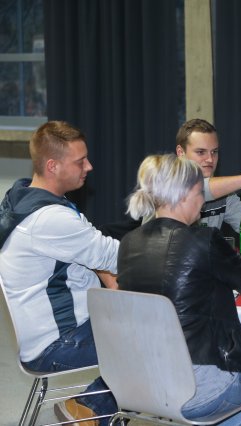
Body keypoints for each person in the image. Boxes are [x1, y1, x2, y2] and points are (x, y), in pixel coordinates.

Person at [117, 153, 241, 424]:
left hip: (143, 379)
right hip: (198, 386)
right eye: (200, 193)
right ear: (184, 195)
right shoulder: (203, 240)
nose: (203, 200)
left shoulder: (128, 243)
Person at [0, 121, 118, 424]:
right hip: (57, 345)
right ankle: (90, 408)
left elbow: (90, 249)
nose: (89, 167)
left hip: (45, 335)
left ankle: (92, 409)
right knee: (159, 341)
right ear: (52, 166)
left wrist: (108, 275)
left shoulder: (22, 196)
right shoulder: (50, 219)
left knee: (150, 328)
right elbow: (111, 255)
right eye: (80, 161)